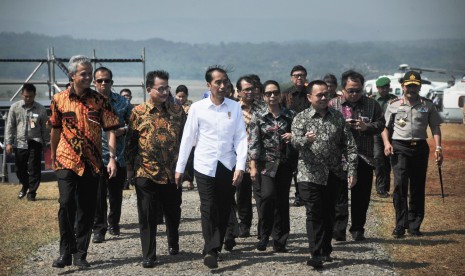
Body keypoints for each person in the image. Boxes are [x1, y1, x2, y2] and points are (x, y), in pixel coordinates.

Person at [50, 55, 119, 269]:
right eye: (84, 73)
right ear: (72, 76)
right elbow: (55, 130)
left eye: (90, 73)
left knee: (87, 209)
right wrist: (53, 156)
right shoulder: (59, 99)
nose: (89, 77)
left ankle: (81, 254)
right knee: (66, 203)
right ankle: (65, 252)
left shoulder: (99, 101)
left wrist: (113, 158)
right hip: (66, 159)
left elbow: (111, 131)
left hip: (92, 162)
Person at [175, 66, 247, 269]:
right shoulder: (198, 108)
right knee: (208, 206)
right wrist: (180, 168)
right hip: (205, 165)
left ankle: (217, 243)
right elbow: (187, 139)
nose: (222, 86)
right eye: (218, 82)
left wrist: (240, 166)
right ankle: (211, 249)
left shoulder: (234, 107)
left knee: (224, 207)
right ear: (209, 85)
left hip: (227, 164)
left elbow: (241, 138)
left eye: (225, 81)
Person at [292, 80, 358, 268]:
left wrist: (352, 170)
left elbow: (349, 146)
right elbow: (294, 143)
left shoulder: (337, 117)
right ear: (309, 97)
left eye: (326, 94)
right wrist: (306, 139)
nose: (323, 98)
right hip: (309, 174)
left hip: (333, 174)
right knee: (314, 213)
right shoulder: (301, 118)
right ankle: (315, 253)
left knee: (329, 213)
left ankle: (326, 249)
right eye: (319, 95)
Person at [125, 70, 186, 268]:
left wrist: (185, 169)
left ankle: (173, 241)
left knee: (173, 211)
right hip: (146, 171)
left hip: (172, 172)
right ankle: (149, 254)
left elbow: (186, 141)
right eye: (160, 88)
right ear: (149, 89)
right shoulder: (138, 112)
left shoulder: (178, 112)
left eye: (166, 87)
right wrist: (130, 170)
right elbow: (131, 143)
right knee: (147, 214)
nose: (164, 92)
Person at [381, 71, 443, 238]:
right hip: (400, 148)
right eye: (409, 86)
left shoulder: (428, 105)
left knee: (417, 187)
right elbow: (384, 127)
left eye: (415, 86)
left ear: (419, 87)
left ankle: (415, 225)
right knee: (400, 186)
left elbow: (435, 127)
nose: (411, 89)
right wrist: (387, 143)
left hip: (420, 148)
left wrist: (439, 148)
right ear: (403, 86)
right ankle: (400, 225)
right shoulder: (393, 104)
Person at [329, 70, 385, 242]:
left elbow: (381, 124)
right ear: (343, 88)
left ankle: (358, 228)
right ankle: (338, 230)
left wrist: (366, 127)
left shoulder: (372, 104)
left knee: (361, 196)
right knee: (339, 196)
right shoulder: (333, 105)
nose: (354, 94)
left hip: (364, 156)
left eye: (358, 90)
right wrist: (341, 127)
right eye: (350, 90)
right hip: (339, 158)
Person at [249, 80, 296, 252]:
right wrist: (253, 166)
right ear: (263, 96)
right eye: (268, 93)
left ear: (280, 94)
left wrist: (293, 135)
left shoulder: (290, 115)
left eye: (275, 92)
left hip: (284, 163)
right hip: (265, 164)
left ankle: (280, 240)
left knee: (282, 201)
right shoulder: (258, 116)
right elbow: (254, 142)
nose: (272, 96)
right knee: (267, 198)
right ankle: (263, 236)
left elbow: (298, 137)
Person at [92, 67, 133, 243]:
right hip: (95, 156)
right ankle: (98, 228)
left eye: (106, 80)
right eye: (99, 80)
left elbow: (135, 125)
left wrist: (123, 130)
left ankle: (113, 223)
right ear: (94, 82)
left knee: (116, 194)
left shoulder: (122, 103)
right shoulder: (87, 102)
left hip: (119, 156)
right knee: (98, 195)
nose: (103, 83)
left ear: (112, 83)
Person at [5, 83, 49, 201]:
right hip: (20, 143)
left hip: (35, 141)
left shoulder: (41, 109)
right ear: (21, 95)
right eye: (25, 96)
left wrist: (46, 142)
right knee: (20, 169)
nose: (28, 99)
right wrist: (9, 143)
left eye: (30, 96)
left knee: (34, 168)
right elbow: (10, 126)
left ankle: (32, 193)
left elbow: (45, 127)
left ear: (35, 95)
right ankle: (25, 185)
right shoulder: (15, 107)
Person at [234, 76, 263, 239]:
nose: (250, 92)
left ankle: (263, 227)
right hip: (240, 158)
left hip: (260, 158)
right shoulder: (234, 109)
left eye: (252, 88)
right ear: (239, 92)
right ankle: (244, 225)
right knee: (243, 194)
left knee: (262, 195)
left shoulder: (263, 108)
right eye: (246, 89)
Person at [281, 65, 309, 207]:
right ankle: (290, 195)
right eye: (296, 75)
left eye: (302, 75)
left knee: (304, 167)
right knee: (292, 167)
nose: (299, 77)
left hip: (307, 136)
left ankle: (302, 195)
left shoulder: (310, 94)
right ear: (291, 78)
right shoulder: (285, 95)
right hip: (289, 136)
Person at [373, 77, 398, 198]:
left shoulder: (394, 99)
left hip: (392, 133)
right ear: (377, 88)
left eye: (386, 87)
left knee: (389, 161)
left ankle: (386, 188)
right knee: (379, 160)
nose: (384, 90)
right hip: (377, 134)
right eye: (382, 88)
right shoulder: (372, 100)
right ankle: (380, 188)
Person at [175, 84, 195, 190]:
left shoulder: (192, 107)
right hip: (176, 136)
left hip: (189, 136)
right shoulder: (173, 106)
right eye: (179, 96)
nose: (181, 99)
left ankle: (189, 179)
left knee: (190, 158)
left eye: (183, 96)